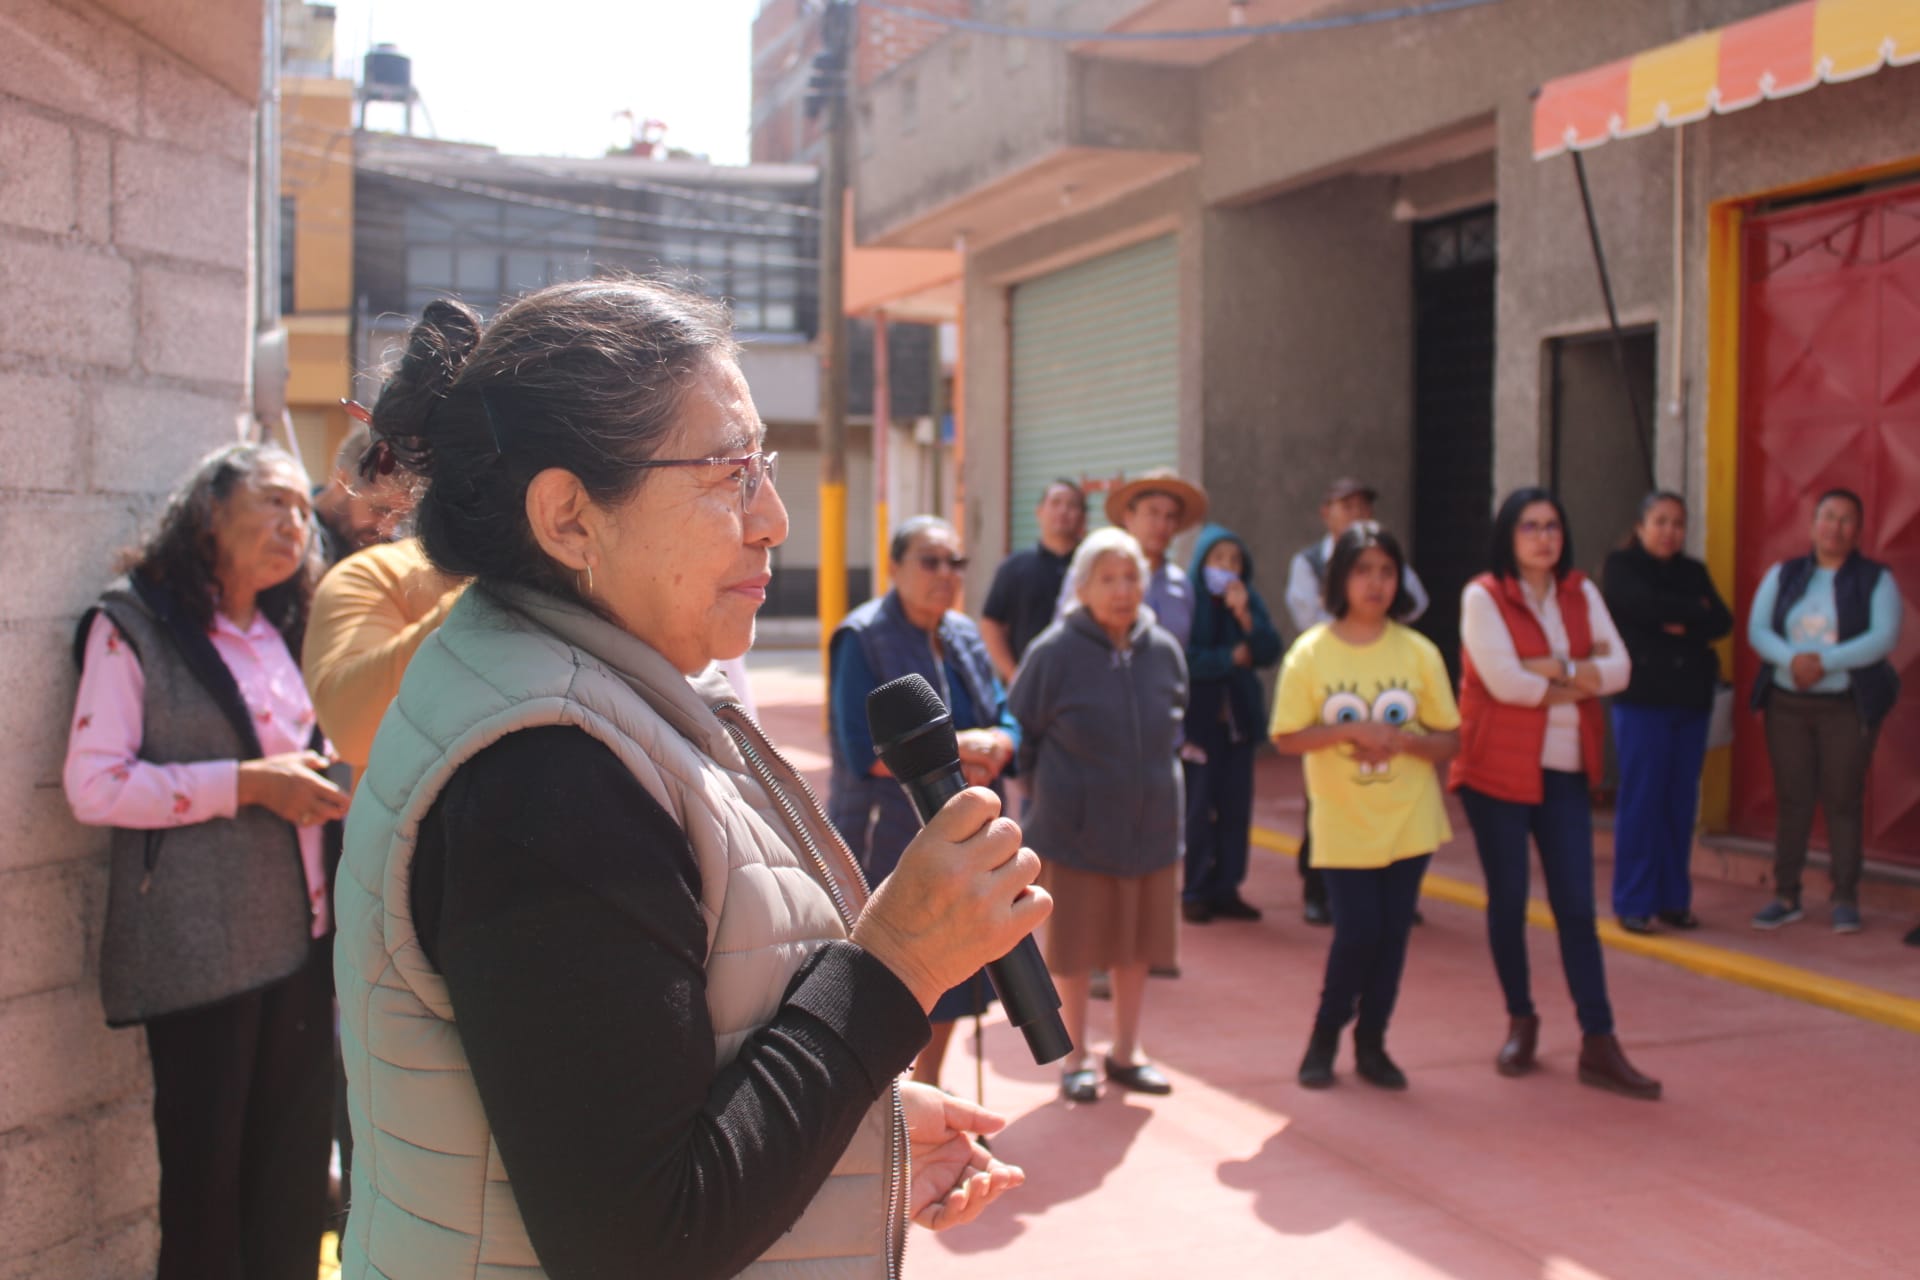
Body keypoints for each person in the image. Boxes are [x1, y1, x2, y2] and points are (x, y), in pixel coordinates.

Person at [333, 286, 1042, 1278]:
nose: (774, 518)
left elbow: (652, 1076)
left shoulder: (593, 683)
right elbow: (640, 1237)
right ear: (569, 516)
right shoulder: (546, 773)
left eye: (766, 465)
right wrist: (898, 960)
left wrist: (854, 1134)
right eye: (728, 474)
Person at [63, 442, 347, 1280]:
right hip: (201, 955)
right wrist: (249, 786)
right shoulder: (134, 628)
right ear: (207, 513)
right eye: (273, 502)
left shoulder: (287, 629)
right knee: (207, 1197)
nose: (295, 524)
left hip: (304, 944)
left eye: (304, 508)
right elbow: (95, 785)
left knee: (293, 1187)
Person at [1452, 488, 1661, 1101]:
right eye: (1530, 527)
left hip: (1565, 770)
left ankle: (1599, 1040)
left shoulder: (1582, 591)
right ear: (1508, 537)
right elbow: (1506, 683)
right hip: (1497, 770)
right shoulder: (1482, 595)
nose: (1544, 538)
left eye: (1552, 526)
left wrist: (1549, 667)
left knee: (1576, 907)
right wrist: (1578, 670)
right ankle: (1521, 1018)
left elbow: (1621, 669)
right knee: (1509, 900)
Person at [829, 515, 1020, 1089]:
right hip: (890, 835)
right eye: (930, 561)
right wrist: (962, 747)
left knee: (961, 974)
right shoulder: (861, 638)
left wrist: (1004, 738)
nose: (945, 574)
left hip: (970, 836)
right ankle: (890, 1104)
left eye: (955, 563)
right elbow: (861, 748)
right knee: (900, 977)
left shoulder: (962, 633)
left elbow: (1001, 707)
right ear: (895, 568)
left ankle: (930, 1090)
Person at [1271, 523, 1458, 1091]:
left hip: (1410, 820)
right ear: (1340, 579)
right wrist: (1346, 735)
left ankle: (1373, 1042)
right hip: (1342, 821)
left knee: (1393, 935)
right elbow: (1286, 737)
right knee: (1357, 933)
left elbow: (1450, 739)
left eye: (1386, 571)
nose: (1375, 583)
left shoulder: (1419, 651)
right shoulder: (1310, 654)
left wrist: (1403, 741)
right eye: (1363, 570)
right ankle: (1325, 1036)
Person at [1012, 528, 1188, 1103]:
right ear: (1083, 586)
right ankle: (1076, 1058)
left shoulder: (1163, 648)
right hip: (1075, 829)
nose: (1122, 590)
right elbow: (1024, 734)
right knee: (1077, 948)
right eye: (1108, 579)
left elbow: (1175, 727)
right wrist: (1054, 798)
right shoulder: (1053, 651)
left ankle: (1127, 1051)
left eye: (1132, 577)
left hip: (1153, 827)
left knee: (1137, 944)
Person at [1746, 488, 1903, 935]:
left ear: (1859, 531)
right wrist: (1793, 661)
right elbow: (1758, 629)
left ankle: (1845, 896)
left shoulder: (1876, 579)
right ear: (1812, 524)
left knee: (1842, 799)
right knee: (1793, 798)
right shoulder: (1786, 574)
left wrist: (1823, 663)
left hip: (1844, 706)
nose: (1835, 527)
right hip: (1788, 704)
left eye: (1846, 519)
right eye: (1827, 517)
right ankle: (1786, 893)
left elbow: (1884, 636)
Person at [1285, 476, 1430, 925]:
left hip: (1383, 686)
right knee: (1324, 802)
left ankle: (1395, 888)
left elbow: (1416, 600)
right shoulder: (1309, 563)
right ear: (1325, 512)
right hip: (1334, 690)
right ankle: (1318, 889)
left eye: (1363, 505)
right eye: (1345, 505)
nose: (1356, 513)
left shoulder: (1412, 642)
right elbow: (1306, 612)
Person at [1600, 491, 1733, 933]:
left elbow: (1722, 621)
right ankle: (1634, 901)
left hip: (1690, 701)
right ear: (1640, 527)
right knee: (1642, 802)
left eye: (1678, 523)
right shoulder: (1621, 568)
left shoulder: (1693, 571)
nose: (1669, 532)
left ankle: (1674, 900)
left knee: (1680, 803)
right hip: (1643, 700)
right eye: (1660, 522)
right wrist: (1690, 613)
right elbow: (1639, 605)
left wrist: (1682, 618)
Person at [1181, 522, 1282, 924]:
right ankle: (1194, 890)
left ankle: (1227, 887)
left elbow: (1269, 649)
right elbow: (1185, 658)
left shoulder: (1247, 600)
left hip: (1238, 725)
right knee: (1198, 809)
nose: (1226, 567)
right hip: (1198, 725)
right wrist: (1229, 658)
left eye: (1235, 560)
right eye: (1218, 558)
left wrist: (1244, 617)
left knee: (1236, 809)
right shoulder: (1188, 600)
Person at [1056, 467, 1207, 649]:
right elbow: (1061, 642)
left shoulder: (1181, 584)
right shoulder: (1089, 573)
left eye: (1170, 516)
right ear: (1128, 516)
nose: (1162, 525)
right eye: (1153, 513)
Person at [980, 478, 1086, 683]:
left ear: (1083, 517)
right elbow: (991, 623)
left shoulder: (1092, 566)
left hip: (1083, 682)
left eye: (1072, 505)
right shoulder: (1014, 566)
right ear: (1039, 512)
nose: (1063, 511)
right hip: (1029, 686)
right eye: (1055, 503)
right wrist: (1014, 675)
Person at [310, 424, 397, 565]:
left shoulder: (389, 549)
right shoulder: (294, 542)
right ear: (342, 482)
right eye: (380, 510)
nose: (389, 530)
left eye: (401, 517)